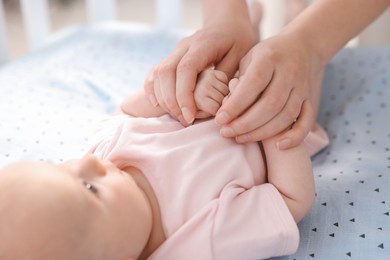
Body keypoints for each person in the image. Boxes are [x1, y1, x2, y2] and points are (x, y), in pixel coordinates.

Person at [0, 66, 329, 259]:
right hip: (273, 120)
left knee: (199, 61)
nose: (90, 165)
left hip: (217, 86)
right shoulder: (200, 241)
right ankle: (296, 19)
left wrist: (184, 97)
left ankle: (251, 23)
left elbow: (128, 112)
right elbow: (290, 200)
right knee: (303, 84)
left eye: (61, 167)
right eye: (88, 188)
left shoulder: (105, 154)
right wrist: (272, 124)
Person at [144, 0, 389, 150]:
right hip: (252, 141)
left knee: (283, 75)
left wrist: (310, 43)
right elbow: (289, 199)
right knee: (286, 95)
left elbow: (131, 109)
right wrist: (225, 16)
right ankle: (274, 20)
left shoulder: (115, 153)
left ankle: (287, 18)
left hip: (219, 107)